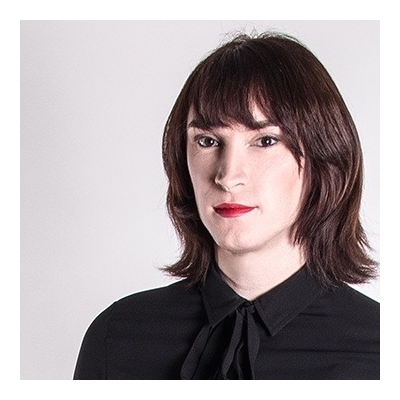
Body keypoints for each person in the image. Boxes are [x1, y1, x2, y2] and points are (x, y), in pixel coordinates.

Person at [73, 32, 379, 380]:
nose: (228, 176)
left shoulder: (381, 351)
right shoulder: (118, 337)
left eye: (265, 140)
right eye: (207, 141)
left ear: (325, 157)